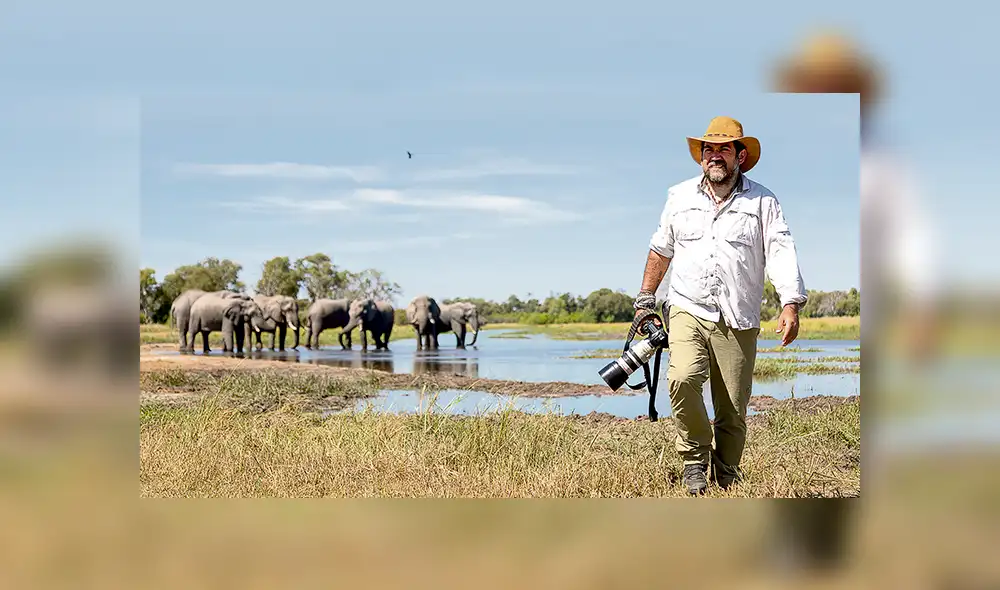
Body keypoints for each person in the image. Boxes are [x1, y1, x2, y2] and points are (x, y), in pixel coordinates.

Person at [633, 115, 808, 495]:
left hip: (738, 316)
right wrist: (645, 298)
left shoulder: (763, 200)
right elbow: (661, 249)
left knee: (732, 408)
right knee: (681, 379)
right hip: (686, 307)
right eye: (708, 149)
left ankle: (727, 472)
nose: (715, 156)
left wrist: (790, 302)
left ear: (740, 156)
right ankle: (694, 460)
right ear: (700, 158)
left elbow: (780, 250)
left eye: (723, 149)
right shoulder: (678, 197)